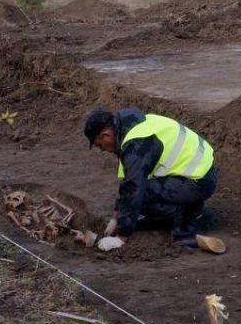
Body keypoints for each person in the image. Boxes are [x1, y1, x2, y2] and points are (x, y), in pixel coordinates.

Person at [84, 107, 223, 254]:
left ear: (106, 135)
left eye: (99, 145)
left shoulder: (136, 143)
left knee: (141, 196)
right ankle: (190, 209)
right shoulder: (129, 125)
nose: (102, 149)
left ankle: (191, 216)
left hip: (198, 180)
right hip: (197, 172)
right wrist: (116, 216)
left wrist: (120, 237)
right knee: (136, 198)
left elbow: (134, 188)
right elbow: (127, 183)